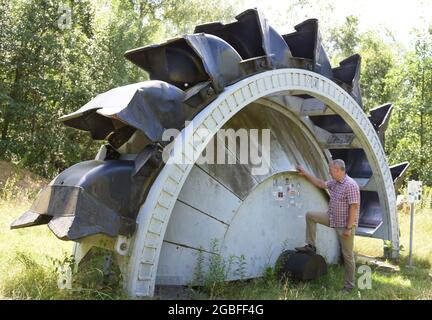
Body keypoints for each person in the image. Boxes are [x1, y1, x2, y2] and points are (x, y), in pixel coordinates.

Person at [295, 159, 360, 294]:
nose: (329, 172)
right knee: (310, 215)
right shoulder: (335, 182)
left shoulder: (350, 185)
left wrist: (348, 228)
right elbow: (320, 183)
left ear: (337, 169)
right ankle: (311, 246)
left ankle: (348, 287)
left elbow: (354, 207)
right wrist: (305, 173)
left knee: (347, 256)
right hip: (331, 218)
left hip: (344, 225)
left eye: (330, 170)